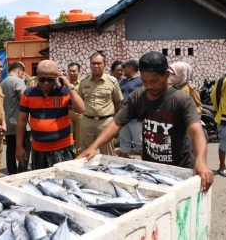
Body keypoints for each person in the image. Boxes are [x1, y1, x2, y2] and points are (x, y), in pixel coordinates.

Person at [78, 51, 213, 191]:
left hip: (180, 168)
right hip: (150, 169)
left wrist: (201, 161)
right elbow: (116, 123)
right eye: (144, 81)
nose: (149, 86)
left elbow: (196, 131)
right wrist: (94, 147)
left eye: (153, 81)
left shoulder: (181, 100)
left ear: (166, 75)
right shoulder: (138, 95)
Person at [15, 60, 85, 170]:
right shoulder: (28, 93)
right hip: (38, 149)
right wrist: (19, 147)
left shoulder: (64, 92)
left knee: (64, 182)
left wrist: (68, 85)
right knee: (42, 181)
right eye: (42, 79)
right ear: (37, 77)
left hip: (63, 148)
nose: (46, 83)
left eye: (50, 79)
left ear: (56, 77)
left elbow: (81, 109)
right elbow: (22, 121)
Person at [78, 53, 123, 155]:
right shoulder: (84, 82)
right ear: (90, 65)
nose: (96, 66)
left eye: (99, 63)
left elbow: (117, 103)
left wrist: (111, 118)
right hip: (87, 121)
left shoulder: (112, 81)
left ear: (105, 64)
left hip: (105, 122)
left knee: (107, 153)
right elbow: (80, 101)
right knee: (85, 152)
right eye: (93, 63)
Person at [0, 62, 29, 174]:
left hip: (8, 122)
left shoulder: (2, 82)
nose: (23, 75)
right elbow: (25, 99)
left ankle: (12, 172)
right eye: (22, 73)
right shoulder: (18, 81)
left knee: (10, 149)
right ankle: (22, 173)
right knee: (24, 148)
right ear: (19, 71)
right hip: (19, 123)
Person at [117, 59, 143, 158]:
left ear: (130, 68)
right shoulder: (123, 81)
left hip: (135, 118)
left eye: (124, 67)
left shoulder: (140, 81)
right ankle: (123, 161)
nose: (122, 70)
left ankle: (149, 163)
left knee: (139, 142)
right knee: (124, 141)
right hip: (123, 116)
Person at [68, 62, 83, 153]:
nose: (72, 73)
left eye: (74, 71)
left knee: (80, 138)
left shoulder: (82, 84)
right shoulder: (65, 83)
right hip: (68, 113)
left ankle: (79, 156)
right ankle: (68, 155)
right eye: (70, 71)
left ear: (78, 72)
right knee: (67, 136)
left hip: (80, 115)